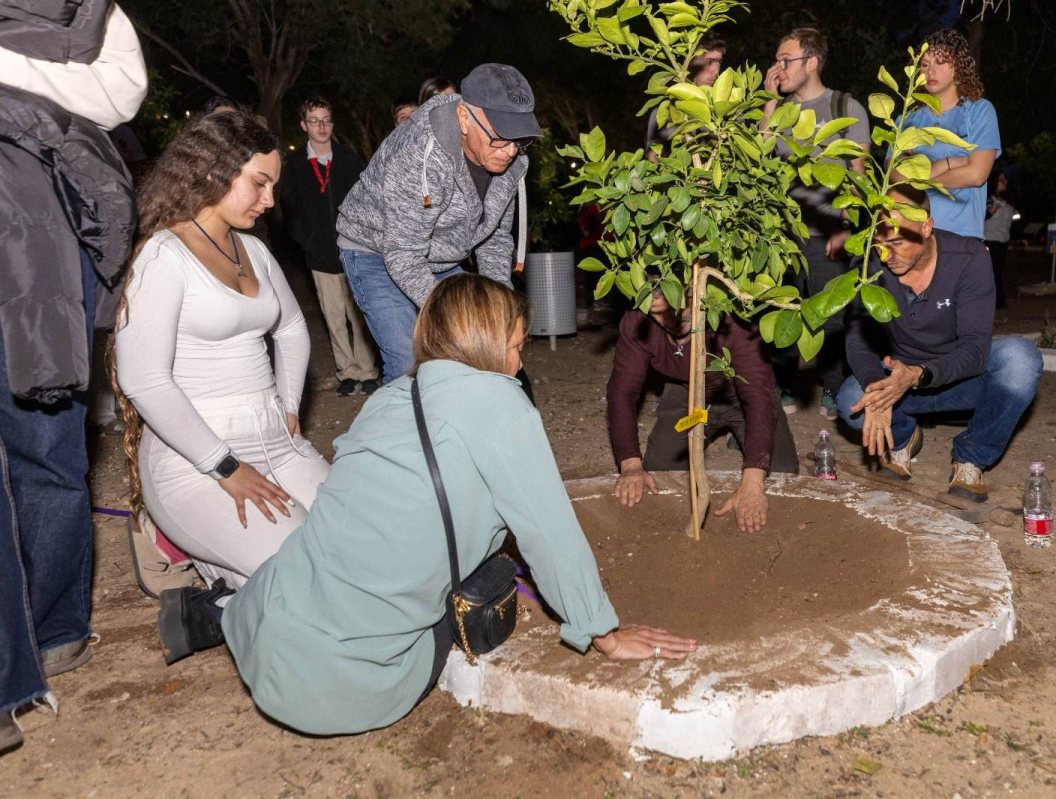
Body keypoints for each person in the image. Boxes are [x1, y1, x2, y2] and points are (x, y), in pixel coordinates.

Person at [155, 274, 698, 733]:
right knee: (483, 587)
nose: (518, 365)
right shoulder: (501, 403)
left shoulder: (387, 398)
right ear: (483, 343)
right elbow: (549, 535)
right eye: (515, 347)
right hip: (344, 689)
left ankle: (214, 612)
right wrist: (604, 635)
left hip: (263, 634)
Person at [0, 0, 145, 755]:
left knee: (48, 444)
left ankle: (55, 629)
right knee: (48, 450)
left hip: (44, 243)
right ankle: (44, 639)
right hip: (46, 235)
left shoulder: (80, 10)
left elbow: (125, 89)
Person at [114, 111, 331, 602]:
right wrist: (226, 466)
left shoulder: (253, 250)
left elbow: (292, 329)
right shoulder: (163, 255)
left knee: (358, 541)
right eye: (259, 183)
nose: (269, 200)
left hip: (275, 439)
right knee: (300, 571)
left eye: (273, 186)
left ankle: (217, 572)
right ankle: (205, 582)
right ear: (215, 170)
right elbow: (143, 379)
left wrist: (288, 405)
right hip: (196, 456)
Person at [837, 185, 1043, 502]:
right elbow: (856, 339)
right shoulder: (869, 266)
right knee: (851, 398)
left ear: (926, 227)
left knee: (1020, 359)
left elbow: (975, 350)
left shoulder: (969, 258)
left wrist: (918, 374)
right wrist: (878, 389)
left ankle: (971, 458)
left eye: (897, 242)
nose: (886, 254)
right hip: (901, 384)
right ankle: (903, 439)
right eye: (879, 243)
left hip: (960, 378)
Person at [337, 63, 538, 383]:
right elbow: (403, 253)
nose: (511, 151)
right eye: (500, 138)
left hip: (442, 253)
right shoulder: (419, 151)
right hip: (375, 250)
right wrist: (458, 317)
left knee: (472, 349)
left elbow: (495, 238)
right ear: (464, 118)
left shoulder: (513, 161)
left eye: (520, 139)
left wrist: (498, 309)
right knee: (408, 360)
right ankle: (400, 415)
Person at [606, 289, 800, 534]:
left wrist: (753, 484)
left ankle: (742, 434)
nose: (670, 320)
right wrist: (630, 465)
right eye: (657, 313)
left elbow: (757, 396)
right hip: (686, 394)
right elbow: (622, 392)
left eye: (676, 308)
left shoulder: (732, 320)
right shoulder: (637, 320)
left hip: (739, 396)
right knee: (659, 472)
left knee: (781, 475)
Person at [761, 25, 870, 420]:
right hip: (782, 235)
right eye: (776, 60)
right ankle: (784, 387)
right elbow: (758, 163)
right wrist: (768, 105)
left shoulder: (845, 107)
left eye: (785, 60)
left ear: (811, 62)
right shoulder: (779, 110)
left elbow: (858, 176)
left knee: (832, 316)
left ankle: (834, 388)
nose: (778, 68)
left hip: (828, 233)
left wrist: (847, 226)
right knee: (781, 310)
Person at [280, 97, 379, 397]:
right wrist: (308, 241)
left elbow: (367, 200)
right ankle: (346, 371)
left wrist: (362, 237)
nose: (321, 126)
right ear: (304, 125)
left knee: (358, 313)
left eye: (326, 120)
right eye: (314, 121)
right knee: (333, 316)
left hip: (354, 250)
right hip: (318, 254)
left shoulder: (349, 159)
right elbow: (290, 210)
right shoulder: (295, 165)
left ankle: (367, 370)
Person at [899, 28, 1001, 240]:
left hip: (960, 235)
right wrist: (947, 163)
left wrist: (920, 178)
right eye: (924, 64)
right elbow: (896, 177)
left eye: (940, 62)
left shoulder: (979, 111)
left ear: (959, 66)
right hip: (911, 234)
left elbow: (977, 174)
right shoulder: (906, 120)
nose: (930, 71)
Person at [645, 31, 725, 154]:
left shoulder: (723, 109)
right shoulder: (666, 111)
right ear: (691, 62)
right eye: (709, 62)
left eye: (719, 62)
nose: (716, 71)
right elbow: (653, 157)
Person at [983, 170, 1016, 310]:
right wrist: (988, 213)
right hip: (990, 240)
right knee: (993, 271)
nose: (1005, 182)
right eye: (1002, 180)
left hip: (1003, 241)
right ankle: (997, 300)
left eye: (1005, 179)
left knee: (998, 270)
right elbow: (980, 218)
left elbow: (1013, 221)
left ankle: (997, 300)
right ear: (994, 182)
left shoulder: (1006, 201)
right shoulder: (987, 199)